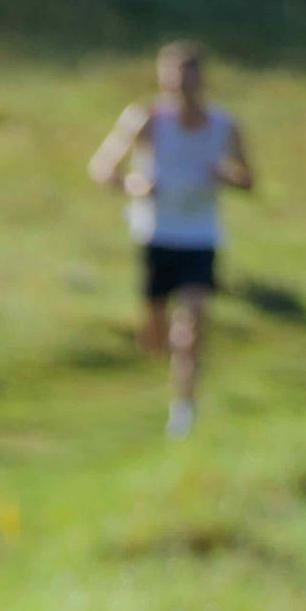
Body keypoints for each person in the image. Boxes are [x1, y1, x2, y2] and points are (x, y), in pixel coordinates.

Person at [87, 39, 257, 439]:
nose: (181, 83)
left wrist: (226, 176)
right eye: (173, 75)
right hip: (156, 232)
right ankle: (156, 374)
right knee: (155, 334)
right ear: (162, 78)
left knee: (192, 324)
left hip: (200, 235)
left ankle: (184, 408)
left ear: (202, 78)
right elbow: (102, 168)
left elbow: (248, 179)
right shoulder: (145, 119)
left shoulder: (224, 125)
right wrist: (134, 185)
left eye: (188, 75)